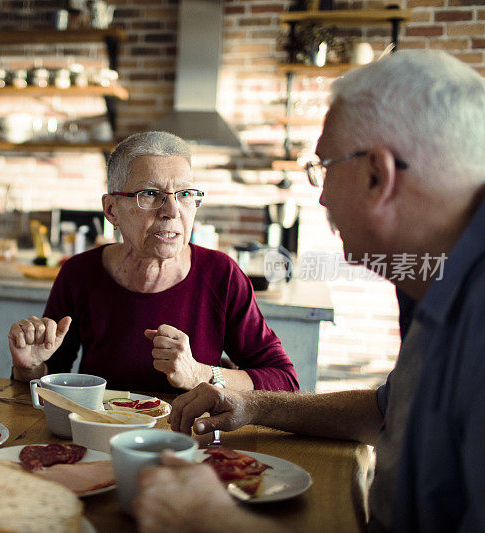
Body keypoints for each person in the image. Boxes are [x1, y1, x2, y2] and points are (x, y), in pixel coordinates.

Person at [135, 49, 485, 532]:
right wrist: (252, 404)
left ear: (377, 175)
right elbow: (387, 411)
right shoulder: (432, 281)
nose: (319, 196)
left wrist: (215, 522)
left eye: (323, 168)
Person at [8, 131, 299, 393]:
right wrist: (28, 368)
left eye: (184, 194)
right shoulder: (79, 273)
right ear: (111, 209)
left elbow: (284, 380)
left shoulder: (221, 274)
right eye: (150, 194)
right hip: (98, 436)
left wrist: (200, 373)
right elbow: (50, 384)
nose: (172, 210)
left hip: (191, 443)